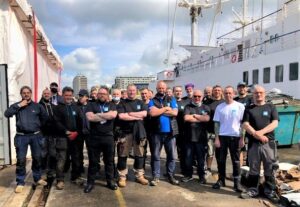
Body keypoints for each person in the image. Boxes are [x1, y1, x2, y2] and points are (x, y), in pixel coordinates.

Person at [4, 86, 48, 193]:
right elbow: (7, 113)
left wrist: (38, 128)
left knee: (37, 158)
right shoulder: (17, 106)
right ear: (21, 94)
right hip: (21, 136)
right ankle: (20, 182)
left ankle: (37, 178)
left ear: (31, 93)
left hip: (35, 136)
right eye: (24, 93)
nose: (26, 94)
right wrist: (19, 105)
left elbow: (45, 118)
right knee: (21, 159)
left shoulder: (37, 106)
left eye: (28, 92)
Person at [240, 85, 279, 203]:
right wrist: (256, 135)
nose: (258, 94)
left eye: (261, 92)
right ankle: (253, 189)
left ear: (264, 94)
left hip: (269, 144)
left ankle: (269, 191)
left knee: (270, 168)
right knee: (254, 168)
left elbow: (275, 123)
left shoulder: (271, 107)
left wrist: (260, 133)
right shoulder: (249, 109)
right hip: (254, 144)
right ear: (253, 94)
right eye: (256, 93)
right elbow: (245, 124)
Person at [84, 87, 118, 193]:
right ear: (97, 95)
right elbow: (90, 117)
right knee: (93, 162)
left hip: (108, 137)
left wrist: (97, 115)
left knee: (109, 161)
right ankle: (90, 183)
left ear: (107, 95)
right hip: (94, 137)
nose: (102, 95)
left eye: (104, 93)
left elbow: (113, 115)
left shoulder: (112, 104)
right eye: (100, 93)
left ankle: (110, 181)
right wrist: (105, 116)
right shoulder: (91, 104)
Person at [212, 86, 245, 192]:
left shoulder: (240, 106)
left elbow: (243, 124)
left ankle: (237, 183)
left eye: (230, 93)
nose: (228, 95)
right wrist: (216, 138)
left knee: (235, 161)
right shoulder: (219, 107)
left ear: (234, 94)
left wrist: (242, 138)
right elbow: (216, 124)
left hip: (235, 137)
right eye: (226, 93)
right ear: (223, 94)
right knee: (221, 160)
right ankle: (221, 180)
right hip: (222, 137)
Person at [116, 84, 149, 187]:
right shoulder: (122, 103)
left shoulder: (140, 102)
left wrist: (129, 114)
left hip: (139, 133)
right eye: (129, 90)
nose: (131, 92)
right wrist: (136, 116)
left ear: (136, 91)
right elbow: (122, 116)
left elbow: (144, 114)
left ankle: (139, 176)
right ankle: (122, 177)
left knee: (139, 155)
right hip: (125, 133)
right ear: (127, 91)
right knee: (122, 155)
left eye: (133, 90)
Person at [148, 81, 179, 186]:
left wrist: (159, 111)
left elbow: (175, 112)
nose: (161, 90)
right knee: (155, 156)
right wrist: (166, 108)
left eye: (163, 88)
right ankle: (156, 176)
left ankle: (170, 175)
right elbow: (152, 113)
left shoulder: (171, 99)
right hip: (156, 133)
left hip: (170, 133)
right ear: (157, 88)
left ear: (165, 89)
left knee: (171, 156)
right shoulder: (152, 100)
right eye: (159, 88)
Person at [53, 86, 83, 190]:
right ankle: (60, 180)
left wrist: (77, 132)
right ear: (62, 95)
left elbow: (81, 121)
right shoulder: (58, 108)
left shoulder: (76, 107)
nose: (68, 97)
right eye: (66, 95)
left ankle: (75, 177)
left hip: (75, 137)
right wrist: (66, 131)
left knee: (76, 159)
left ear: (72, 96)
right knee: (62, 160)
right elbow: (56, 122)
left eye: (70, 95)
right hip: (62, 138)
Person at [182, 90, 210, 184]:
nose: (197, 98)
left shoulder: (206, 107)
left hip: (201, 138)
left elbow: (206, 119)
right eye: (195, 96)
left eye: (199, 96)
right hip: (189, 138)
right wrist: (200, 118)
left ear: (202, 97)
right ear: (192, 97)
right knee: (188, 159)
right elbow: (186, 118)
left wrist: (194, 116)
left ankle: (201, 176)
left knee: (201, 159)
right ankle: (188, 175)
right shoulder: (188, 106)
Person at [205, 85, 224, 175]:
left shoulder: (225, 102)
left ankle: (220, 170)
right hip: (210, 131)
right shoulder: (208, 102)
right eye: (215, 90)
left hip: (222, 132)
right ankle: (208, 169)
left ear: (221, 92)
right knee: (210, 152)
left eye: (218, 90)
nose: (217, 91)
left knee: (220, 154)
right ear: (212, 92)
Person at [39, 88, 57, 181]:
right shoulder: (39, 106)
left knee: (53, 154)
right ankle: (43, 172)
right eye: (45, 93)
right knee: (43, 154)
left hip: (53, 134)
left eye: (48, 93)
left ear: (50, 95)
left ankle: (51, 171)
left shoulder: (53, 106)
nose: (46, 94)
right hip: (43, 134)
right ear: (42, 95)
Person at [234, 82, 252, 166]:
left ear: (246, 88)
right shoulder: (235, 100)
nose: (242, 89)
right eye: (240, 87)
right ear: (237, 89)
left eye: (243, 87)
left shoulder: (250, 99)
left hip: (250, 128)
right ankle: (240, 169)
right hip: (238, 128)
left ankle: (249, 168)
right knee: (239, 149)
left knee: (250, 149)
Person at [173, 86, 188, 174]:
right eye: (176, 91)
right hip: (172, 130)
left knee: (182, 151)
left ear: (182, 92)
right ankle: (170, 171)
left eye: (179, 91)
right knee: (171, 151)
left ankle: (183, 169)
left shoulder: (185, 102)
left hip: (183, 131)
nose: (178, 93)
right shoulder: (170, 102)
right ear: (174, 92)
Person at [76, 89, 90, 174]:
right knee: (78, 152)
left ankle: (93, 168)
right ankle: (79, 168)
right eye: (79, 95)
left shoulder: (91, 106)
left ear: (87, 97)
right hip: (79, 132)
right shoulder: (75, 106)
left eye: (82, 96)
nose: (80, 97)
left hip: (89, 133)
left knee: (91, 152)